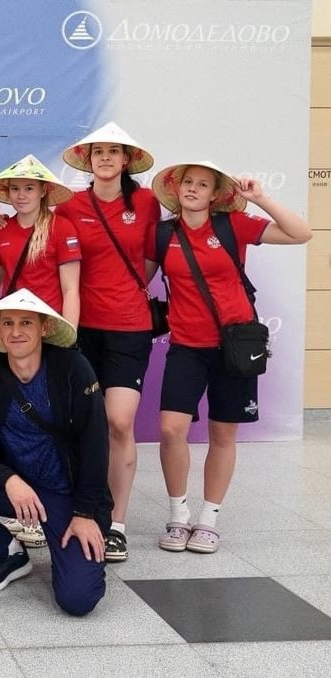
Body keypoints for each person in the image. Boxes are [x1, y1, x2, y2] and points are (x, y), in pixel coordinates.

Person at [150, 161, 311, 554]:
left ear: (214, 194)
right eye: (187, 182)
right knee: (171, 429)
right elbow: (137, 276)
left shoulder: (232, 225)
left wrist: (261, 199)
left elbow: (301, 234)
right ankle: (178, 515)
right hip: (186, 346)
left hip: (235, 346)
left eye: (202, 185)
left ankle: (208, 520)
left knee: (223, 434)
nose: (193, 189)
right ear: (177, 189)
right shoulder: (162, 233)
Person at [0, 289, 111, 616]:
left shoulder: (73, 367)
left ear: (43, 328)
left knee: (78, 600)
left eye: (26, 322)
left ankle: (81, 551)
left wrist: (86, 513)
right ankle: (9, 553)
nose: (16, 332)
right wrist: (8, 479)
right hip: (17, 490)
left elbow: (95, 444)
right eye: (9, 323)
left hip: (66, 496)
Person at [55, 123, 162, 562]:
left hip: (130, 327)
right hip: (81, 329)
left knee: (119, 422)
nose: (104, 159)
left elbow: (151, 260)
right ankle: (82, 507)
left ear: (125, 161)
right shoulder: (69, 206)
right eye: (97, 152)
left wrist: (126, 293)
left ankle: (115, 522)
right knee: (81, 423)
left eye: (113, 152)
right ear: (88, 160)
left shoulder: (148, 203)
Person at [0, 155, 80, 326]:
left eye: (29, 189)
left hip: (50, 322)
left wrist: (70, 332)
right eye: (14, 189)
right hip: (14, 324)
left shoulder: (62, 227)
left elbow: (70, 290)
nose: (21, 195)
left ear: (43, 191)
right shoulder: (0, 230)